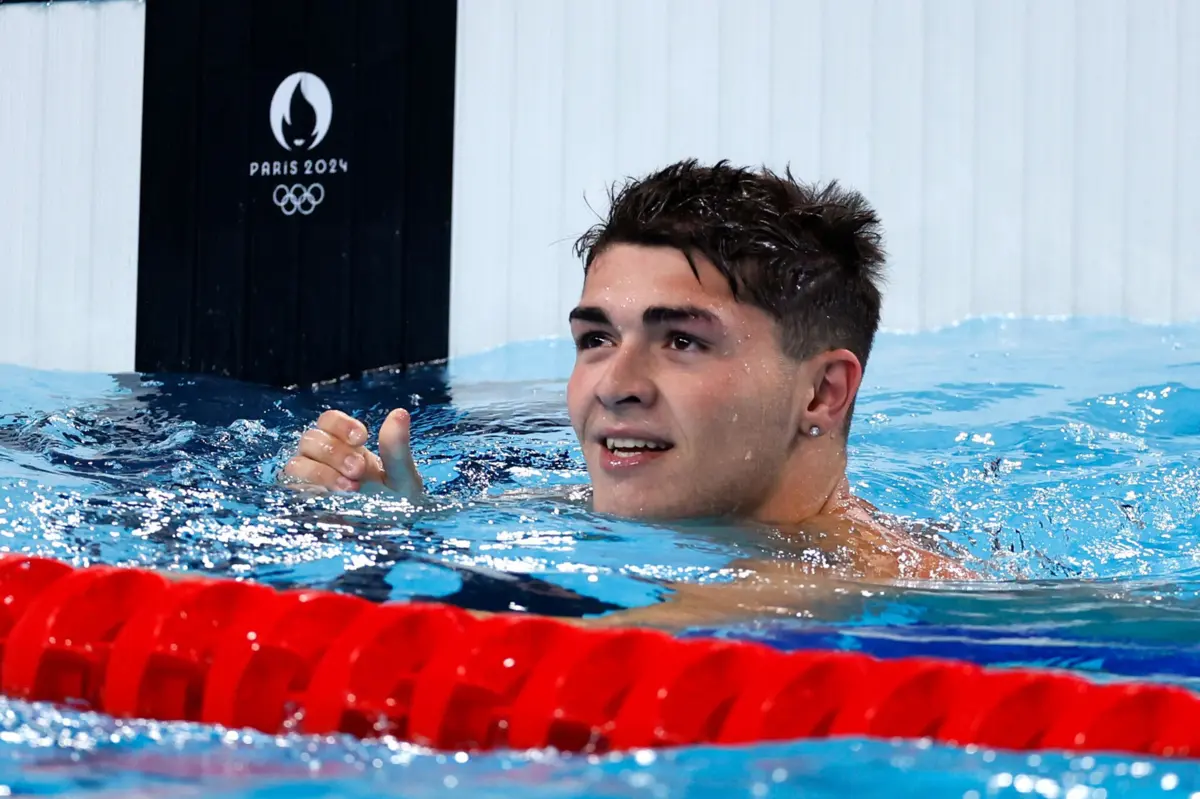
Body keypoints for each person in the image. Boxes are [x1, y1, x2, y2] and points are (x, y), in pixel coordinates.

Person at [281, 159, 974, 627]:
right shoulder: (552, 511)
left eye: (681, 341)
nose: (614, 386)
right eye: (596, 340)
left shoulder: (893, 591)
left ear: (823, 392)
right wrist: (383, 535)